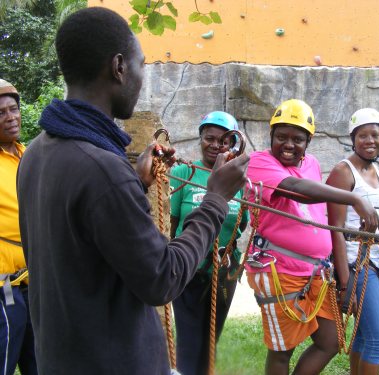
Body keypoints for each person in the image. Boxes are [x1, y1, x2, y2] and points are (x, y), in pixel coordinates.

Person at [16, 7, 249, 375]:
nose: (142, 77)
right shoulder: (102, 171)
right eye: (142, 65)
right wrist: (216, 198)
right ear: (119, 67)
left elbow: (85, 244)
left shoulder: (36, 152)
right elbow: (163, 278)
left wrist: (136, 183)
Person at [245, 99, 379, 375]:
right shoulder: (259, 162)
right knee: (282, 351)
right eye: (281, 137)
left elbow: (317, 211)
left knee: (330, 342)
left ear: (309, 141)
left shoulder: (312, 164)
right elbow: (297, 189)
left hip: (316, 272)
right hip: (279, 270)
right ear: (271, 136)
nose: (288, 144)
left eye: (298, 139)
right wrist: (354, 198)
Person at [170, 111, 249, 375]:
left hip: (223, 270)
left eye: (223, 141)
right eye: (209, 138)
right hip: (189, 269)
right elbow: (170, 224)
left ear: (232, 144)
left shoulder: (237, 181)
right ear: (200, 139)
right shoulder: (184, 172)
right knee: (189, 341)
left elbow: (241, 225)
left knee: (210, 340)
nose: (215, 145)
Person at [325, 108, 379, 375]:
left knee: (365, 336)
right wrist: (344, 281)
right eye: (362, 135)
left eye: (375, 134)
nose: (370, 140)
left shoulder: (376, 170)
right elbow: (336, 228)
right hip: (357, 263)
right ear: (353, 139)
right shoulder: (344, 171)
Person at [0, 79, 37, 375]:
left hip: (34, 285)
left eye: (13, 109)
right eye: (1, 113)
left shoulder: (29, 155)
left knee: (42, 364)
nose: (11, 117)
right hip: (3, 291)